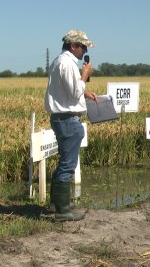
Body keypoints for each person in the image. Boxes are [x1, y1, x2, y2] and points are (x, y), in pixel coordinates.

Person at [44, 30, 97, 222]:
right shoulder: (67, 64)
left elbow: (68, 92)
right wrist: (85, 74)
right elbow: (74, 92)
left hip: (62, 119)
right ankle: (63, 211)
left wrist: (85, 91)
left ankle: (56, 204)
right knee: (68, 165)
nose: (84, 50)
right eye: (82, 46)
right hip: (67, 120)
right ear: (73, 45)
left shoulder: (61, 61)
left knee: (64, 162)